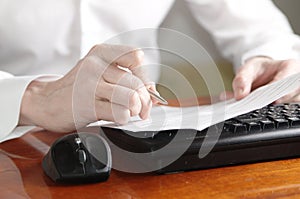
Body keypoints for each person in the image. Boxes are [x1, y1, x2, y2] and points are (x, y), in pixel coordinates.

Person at [1, 0, 300, 142]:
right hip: (15, 140)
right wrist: (34, 98)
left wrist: (271, 58)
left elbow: (259, 26)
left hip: (144, 139)